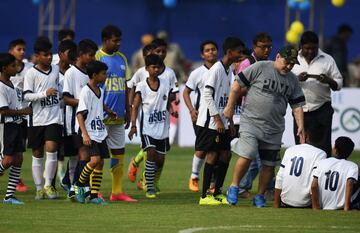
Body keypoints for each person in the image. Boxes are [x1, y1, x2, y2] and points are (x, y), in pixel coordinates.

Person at [224, 45, 305, 207]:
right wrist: (230, 107)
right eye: (287, 62)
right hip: (251, 122)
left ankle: (259, 195)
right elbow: (236, 85)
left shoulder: (292, 80)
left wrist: (301, 126)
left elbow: (297, 105)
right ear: (277, 56)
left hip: (274, 128)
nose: (289, 66)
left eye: (292, 64)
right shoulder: (260, 67)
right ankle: (234, 187)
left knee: (269, 165)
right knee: (248, 154)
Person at [196, 37, 245, 205]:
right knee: (212, 155)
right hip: (210, 121)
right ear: (230, 52)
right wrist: (217, 119)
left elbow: (227, 99)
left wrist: (229, 122)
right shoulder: (217, 69)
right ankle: (204, 196)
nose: (240, 55)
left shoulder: (229, 70)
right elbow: (207, 94)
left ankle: (217, 192)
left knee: (225, 155)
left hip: (222, 121)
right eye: (238, 52)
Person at [127, 38, 179, 191]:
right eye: (158, 51)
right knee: (150, 151)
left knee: (160, 157)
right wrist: (131, 108)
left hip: (162, 121)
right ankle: (145, 179)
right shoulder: (142, 73)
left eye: (163, 51)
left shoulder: (169, 74)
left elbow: (168, 95)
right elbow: (132, 88)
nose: (161, 54)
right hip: (147, 119)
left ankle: (148, 178)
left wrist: (171, 107)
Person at [95, 24, 136, 202]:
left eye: (120, 40)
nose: (118, 43)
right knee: (97, 156)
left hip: (118, 115)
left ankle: (117, 192)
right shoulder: (97, 57)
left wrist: (128, 109)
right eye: (115, 40)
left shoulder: (122, 58)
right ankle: (94, 190)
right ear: (105, 40)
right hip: (100, 116)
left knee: (118, 153)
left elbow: (126, 87)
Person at [234, 32, 274, 199]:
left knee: (253, 156)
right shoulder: (247, 63)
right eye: (263, 47)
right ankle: (270, 189)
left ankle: (243, 187)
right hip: (250, 115)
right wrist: (255, 88)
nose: (267, 50)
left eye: (269, 47)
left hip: (266, 115)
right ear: (254, 46)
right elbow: (237, 87)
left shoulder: (270, 64)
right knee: (262, 156)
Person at [292, 31, 343, 157]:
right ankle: (303, 175)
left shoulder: (327, 59)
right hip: (300, 110)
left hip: (322, 110)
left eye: (313, 48)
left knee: (323, 147)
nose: (310, 51)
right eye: (307, 48)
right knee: (300, 145)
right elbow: (284, 80)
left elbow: (339, 83)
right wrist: (297, 79)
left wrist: (328, 80)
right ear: (300, 46)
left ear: (318, 46)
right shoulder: (293, 60)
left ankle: (321, 175)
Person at [23, 37, 62, 200]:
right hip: (37, 119)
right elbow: (26, 96)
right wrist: (44, 94)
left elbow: (58, 87)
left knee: (52, 148)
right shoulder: (31, 73)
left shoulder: (55, 69)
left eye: (50, 54)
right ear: (37, 56)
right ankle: (39, 188)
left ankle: (48, 185)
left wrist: (58, 95)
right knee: (37, 153)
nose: (49, 57)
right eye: (45, 55)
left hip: (53, 117)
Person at [74, 60, 115, 205]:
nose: (106, 76)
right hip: (89, 131)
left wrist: (108, 111)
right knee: (94, 160)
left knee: (101, 163)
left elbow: (99, 103)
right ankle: (78, 187)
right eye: (104, 74)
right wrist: (84, 134)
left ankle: (93, 196)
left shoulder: (100, 90)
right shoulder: (85, 91)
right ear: (94, 75)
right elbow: (79, 114)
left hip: (99, 131)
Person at [62, 39, 97, 199]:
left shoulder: (90, 74)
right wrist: (85, 103)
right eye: (90, 55)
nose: (93, 58)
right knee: (76, 156)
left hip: (88, 122)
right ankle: (73, 186)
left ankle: (74, 185)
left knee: (83, 155)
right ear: (81, 55)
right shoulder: (71, 73)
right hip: (74, 122)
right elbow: (67, 98)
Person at [183, 40, 218, 192]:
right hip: (201, 117)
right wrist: (192, 110)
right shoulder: (197, 73)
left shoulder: (223, 70)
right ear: (202, 54)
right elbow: (186, 92)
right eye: (207, 50)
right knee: (203, 149)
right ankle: (194, 175)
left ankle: (212, 182)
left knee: (215, 151)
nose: (211, 52)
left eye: (213, 49)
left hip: (218, 117)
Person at [0, 53, 32, 204]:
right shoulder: (0, 86)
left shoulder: (11, 83)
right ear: (4, 68)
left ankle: (9, 196)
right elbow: (3, 111)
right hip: (6, 126)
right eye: (13, 66)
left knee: (18, 159)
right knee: (7, 160)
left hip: (17, 124)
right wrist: (23, 111)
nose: (16, 68)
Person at [274, 124, 327, 208]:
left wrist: (276, 205)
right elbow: (314, 183)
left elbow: (280, 177)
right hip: (305, 203)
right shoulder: (321, 154)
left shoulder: (290, 150)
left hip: (285, 201)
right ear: (322, 139)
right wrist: (315, 207)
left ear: (306, 136)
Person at [7, 38, 32, 192]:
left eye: (24, 49)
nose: (22, 52)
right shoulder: (3, 67)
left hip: (22, 117)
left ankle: (16, 182)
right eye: (18, 49)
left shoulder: (29, 68)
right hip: (6, 117)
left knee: (18, 154)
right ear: (11, 51)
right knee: (8, 155)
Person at [311, 137, 359, 210]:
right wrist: (346, 208)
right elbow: (349, 183)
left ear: (335, 150)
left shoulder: (322, 162)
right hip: (340, 207)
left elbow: (314, 186)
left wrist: (315, 207)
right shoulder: (352, 166)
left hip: (322, 206)